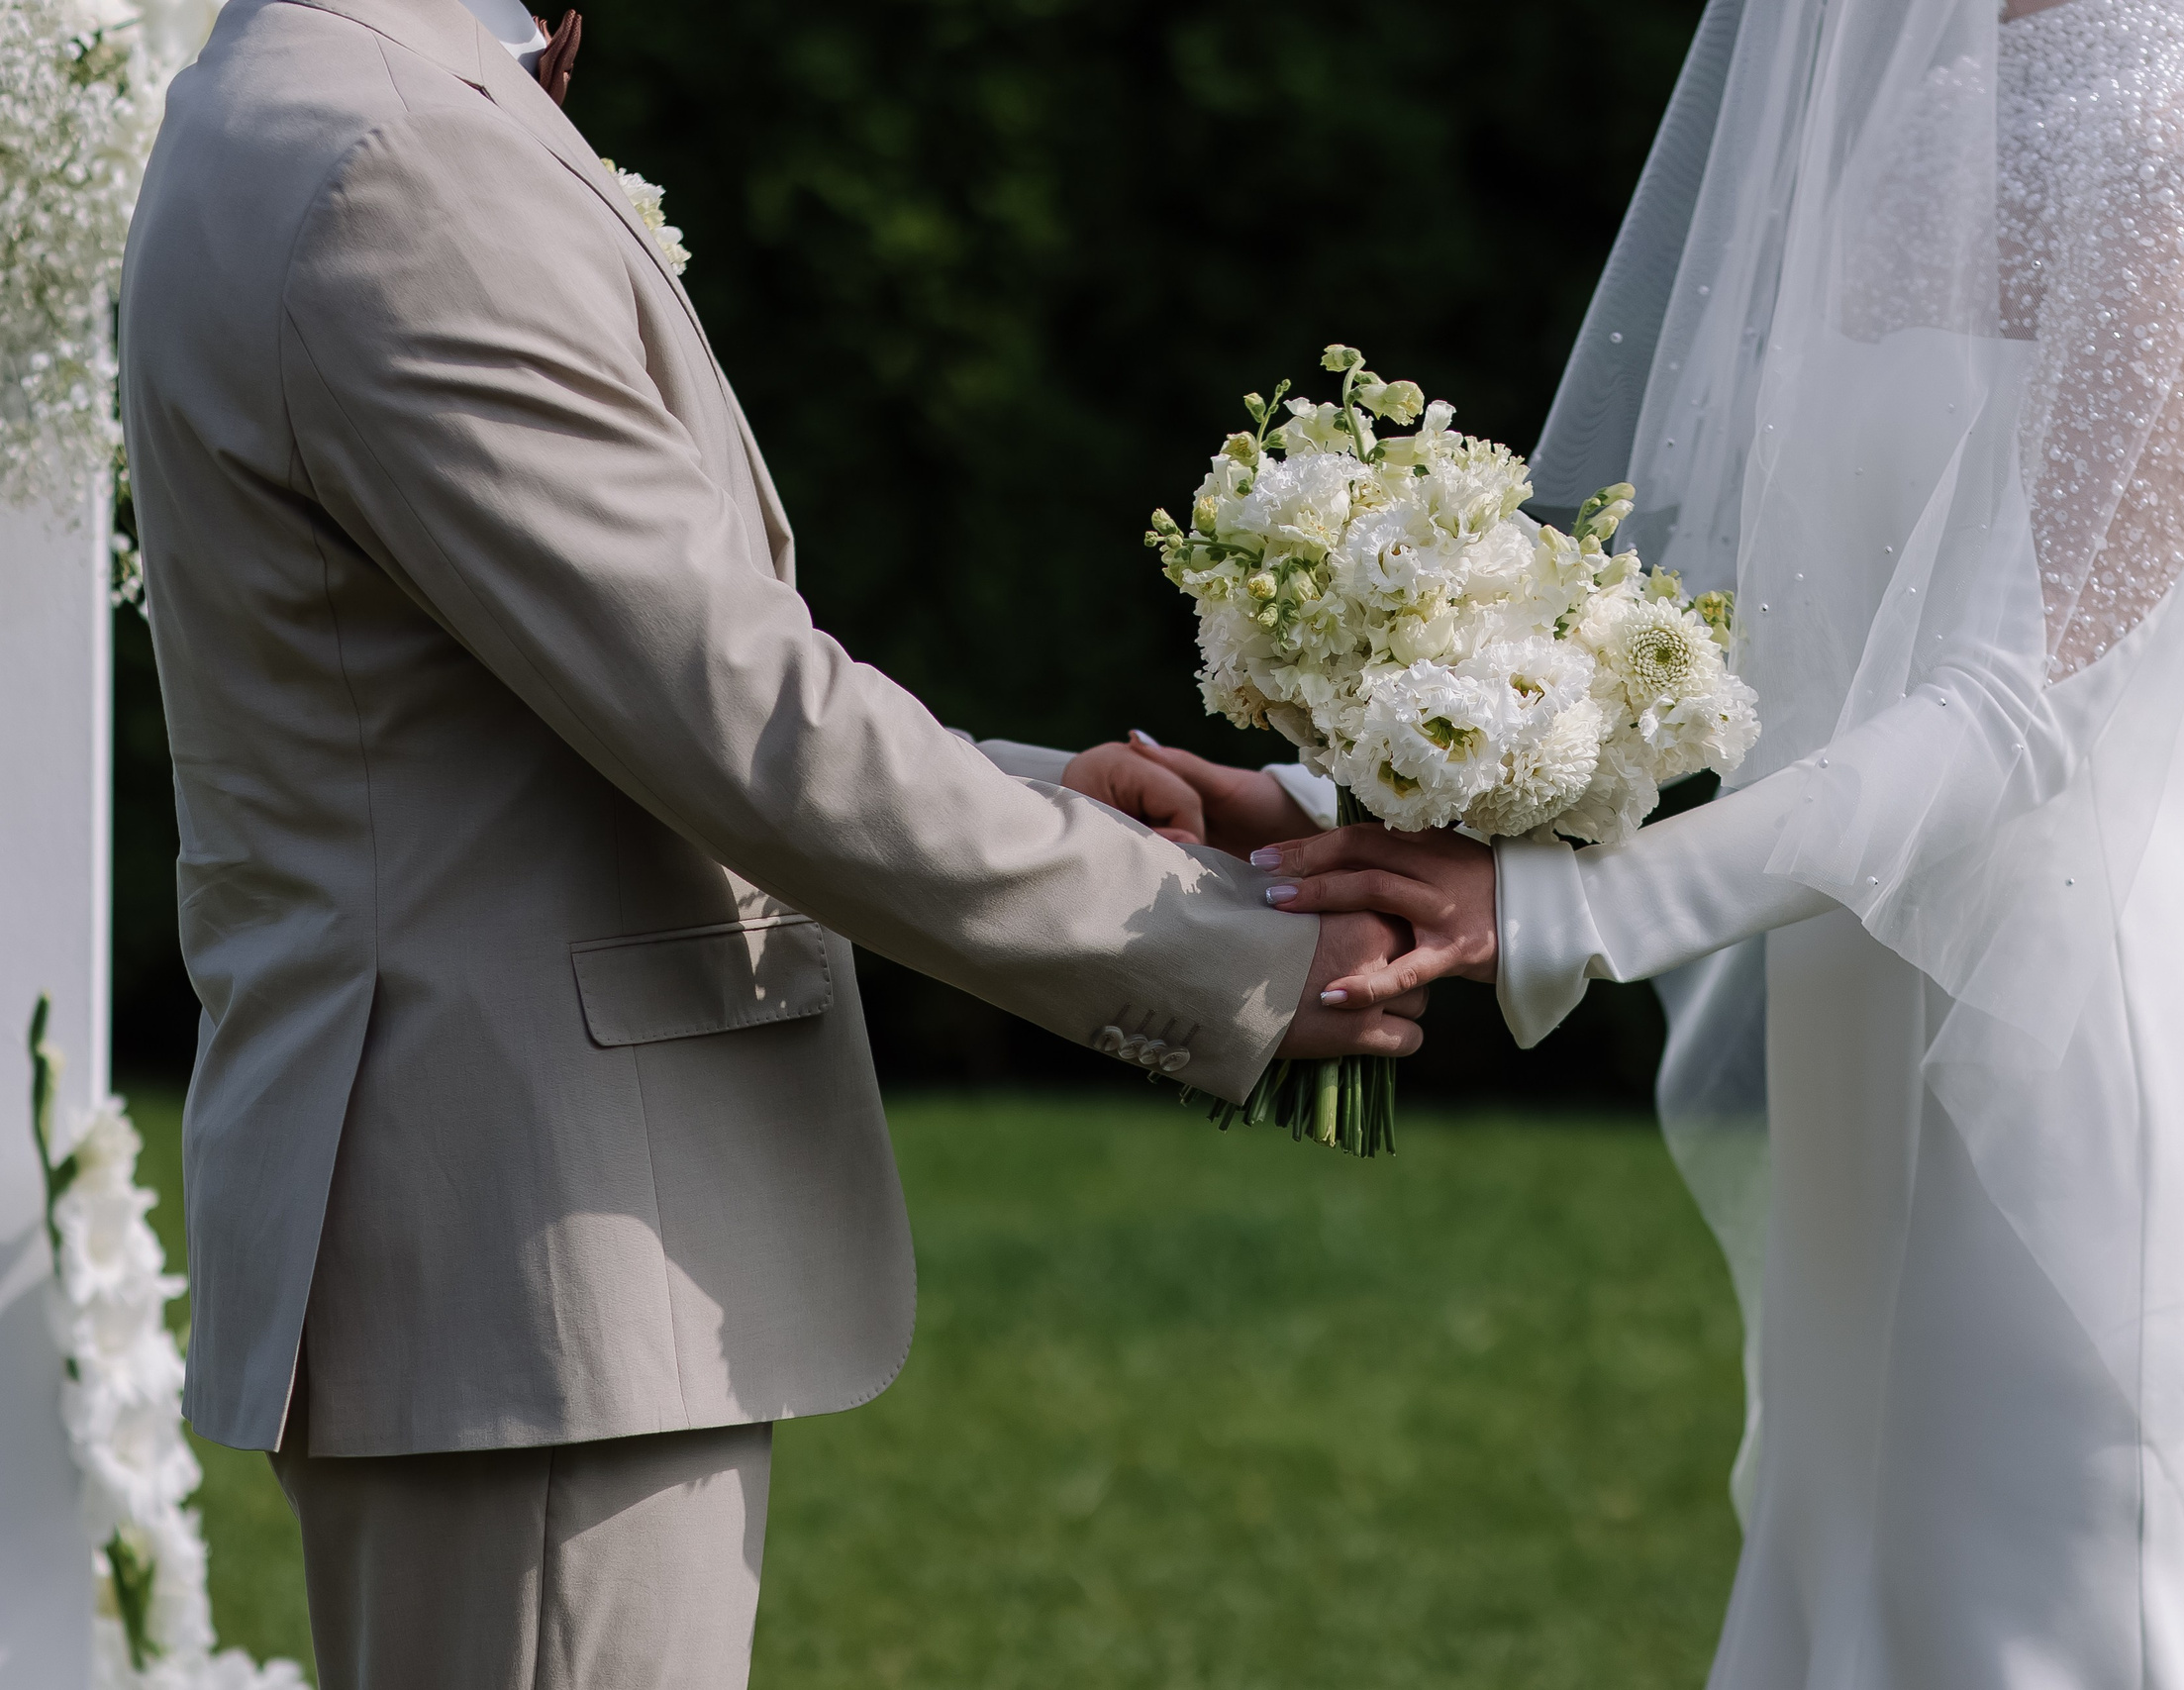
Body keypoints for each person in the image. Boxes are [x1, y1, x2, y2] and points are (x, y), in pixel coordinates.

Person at [115, 0, 1423, 1683]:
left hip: (493, 1240)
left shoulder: (283, 101)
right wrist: (1231, 952)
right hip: (534, 1254)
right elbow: (736, 714)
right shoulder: (393, 162)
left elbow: (558, 719)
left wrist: (1048, 801)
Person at [1079, 0, 2184, 1681]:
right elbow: (1761, 665)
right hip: (1855, 1047)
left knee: (2039, 1634)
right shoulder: (1923, 117)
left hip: (2050, 1070)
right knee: (1846, 1619)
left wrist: (1570, 913)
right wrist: (1356, 810)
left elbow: (2019, 713)